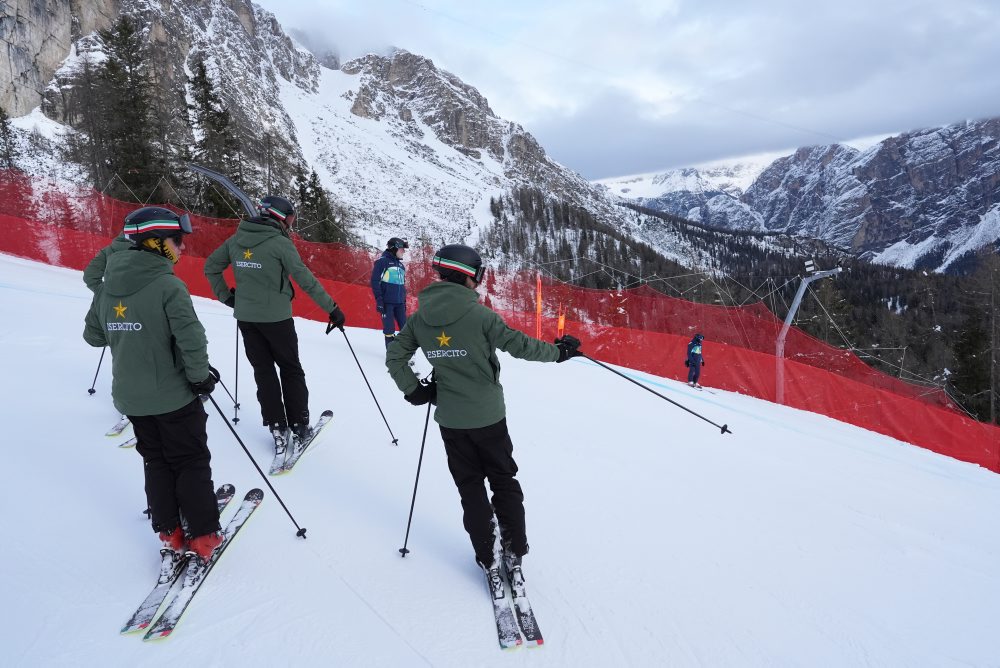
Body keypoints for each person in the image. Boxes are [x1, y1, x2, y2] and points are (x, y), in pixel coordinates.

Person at [385, 243, 582, 590]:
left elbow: (395, 358)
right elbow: (521, 346)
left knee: (470, 488)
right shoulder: (481, 316)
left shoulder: (419, 318)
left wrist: (415, 391)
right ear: (469, 276)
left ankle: (487, 556)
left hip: (451, 421)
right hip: (489, 417)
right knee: (504, 481)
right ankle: (513, 550)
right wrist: (560, 353)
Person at [83, 206, 223, 563]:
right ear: (156, 243)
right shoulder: (167, 285)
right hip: (173, 397)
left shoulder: (107, 286)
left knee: (156, 461)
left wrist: (125, 325)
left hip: (132, 398)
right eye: (178, 241)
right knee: (189, 460)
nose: (183, 248)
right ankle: (204, 536)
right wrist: (199, 378)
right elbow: (192, 340)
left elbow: (93, 336)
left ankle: (169, 530)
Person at [204, 195, 346, 454]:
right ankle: (300, 426)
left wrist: (226, 297)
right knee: (291, 369)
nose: (291, 224)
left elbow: (211, 267)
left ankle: (277, 427)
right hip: (277, 320)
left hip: (247, 319)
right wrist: (332, 309)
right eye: (291, 218)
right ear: (281, 218)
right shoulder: (280, 243)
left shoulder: (237, 240)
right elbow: (305, 279)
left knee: (264, 372)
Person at [370, 237, 409, 348]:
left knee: (405, 329)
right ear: (394, 248)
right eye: (402, 249)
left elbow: (402, 285)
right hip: (387, 303)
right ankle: (391, 354)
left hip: (400, 303)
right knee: (389, 329)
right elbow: (374, 281)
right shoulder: (382, 262)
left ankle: (407, 353)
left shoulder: (401, 266)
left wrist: (404, 301)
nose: (403, 252)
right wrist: (379, 300)